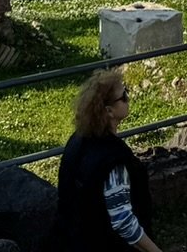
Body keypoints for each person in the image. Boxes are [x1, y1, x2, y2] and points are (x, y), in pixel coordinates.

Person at [55, 69, 163, 252]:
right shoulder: (113, 159)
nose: (128, 98)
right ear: (109, 111)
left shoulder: (77, 140)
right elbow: (124, 223)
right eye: (124, 96)